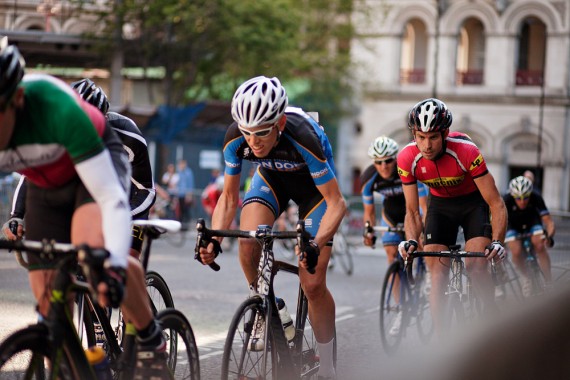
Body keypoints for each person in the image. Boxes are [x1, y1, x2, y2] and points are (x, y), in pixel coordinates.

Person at [0, 40, 171, 378]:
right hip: (45, 188)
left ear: (17, 100)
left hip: (92, 180)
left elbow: (112, 198)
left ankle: (151, 340)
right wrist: (16, 219)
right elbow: (25, 184)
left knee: (97, 259)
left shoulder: (60, 111)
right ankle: (83, 365)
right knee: (50, 306)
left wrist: (115, 263)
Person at [197, 75, 346, 379]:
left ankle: (328, 366)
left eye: (262, 132)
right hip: (271, 180)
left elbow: (337, 203)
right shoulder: (235, 139)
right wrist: (213, 238)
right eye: (247, 132)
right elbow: (228, 197)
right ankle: (266, 305)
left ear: (279, 123)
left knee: (313, 283)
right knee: (247, 242)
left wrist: (315, 244)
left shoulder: (304, 136)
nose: (253, 140)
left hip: (314, 191)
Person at [3, 78, 157, 259]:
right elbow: (33, 173)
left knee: (124, 259)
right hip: (90, 193)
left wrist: (121, 217)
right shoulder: (61, 128)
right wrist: (17, 215)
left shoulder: (129, 136)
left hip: (131, 198)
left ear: (103, 117)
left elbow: (146, 190)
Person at [396, 98, 507, 335]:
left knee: (476, 264)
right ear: (413, 134)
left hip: (472, 203)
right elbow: (413, 211)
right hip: (440, 206)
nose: (426, 145)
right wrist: (412, 240)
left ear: (445, 133)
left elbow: (496, 203)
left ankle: (491, 317)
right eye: (420, 136)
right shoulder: (407, 158)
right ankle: (441, 340)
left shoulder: (467, 151)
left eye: (433, 137)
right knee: (437, 271)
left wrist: (498, 242)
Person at [361, 135, 428, 335]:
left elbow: (423, 207)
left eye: (388, 160)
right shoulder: (368, 177)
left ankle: (427, 275)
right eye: (379, 162)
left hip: (412, 211)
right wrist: (368, 230)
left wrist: (422, 230)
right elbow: (369, 211)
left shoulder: (407, 169)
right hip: (390, 215)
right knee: (392, 258)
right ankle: (401, 308)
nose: (384, 166)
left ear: (395, 158)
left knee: (421, 243)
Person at [504, 175, 555, 295]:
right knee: (516, 251)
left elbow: (548, 221)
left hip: (532, 223)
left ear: (530, 194)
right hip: (513, 226)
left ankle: (548, 281)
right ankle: (526, 277)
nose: (522, 201)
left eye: (526, 197)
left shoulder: (536, 198)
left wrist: (549, 236)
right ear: (513, 195)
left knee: (540, 245)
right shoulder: (506, 200)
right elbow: (499, 221)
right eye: (518, 198)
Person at [175, 159, 194, 225]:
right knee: (180, 210)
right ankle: (181, 224)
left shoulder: (188, 172)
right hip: (179, 194)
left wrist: (189, 195)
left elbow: (190, 184)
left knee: (186, 210)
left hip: (186, 195)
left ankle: (186, 224)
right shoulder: (178, 172)